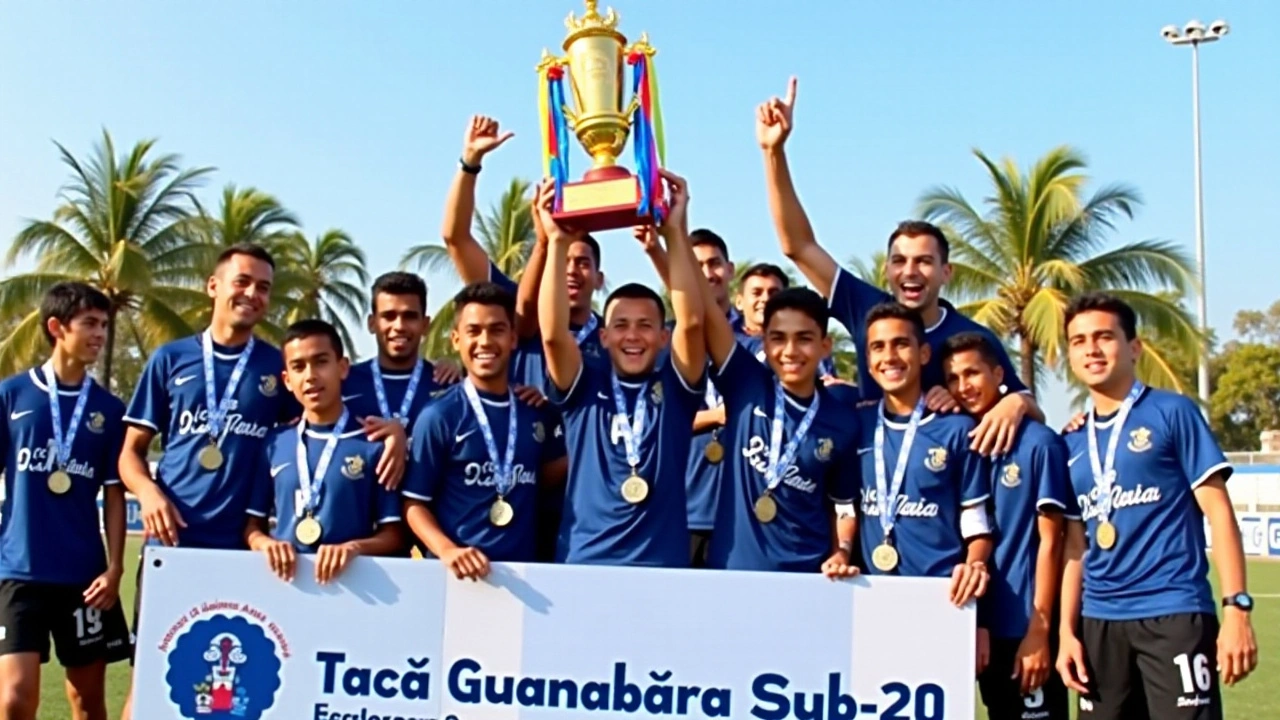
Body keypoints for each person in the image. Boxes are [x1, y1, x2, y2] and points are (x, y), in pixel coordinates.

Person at [116, 244, 404, 720]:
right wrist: (147, 492)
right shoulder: (170, 360)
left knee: (235, 691)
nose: (253, 294)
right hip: (174, 547)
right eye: (243, 282)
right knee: (151, 677)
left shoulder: (278, 366)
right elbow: (131, 453)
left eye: (264, 287)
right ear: (214, 286)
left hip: (248, 555)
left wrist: (396, 431)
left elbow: (323, 430)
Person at [755, 76, 1041, 456]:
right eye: (900, 261)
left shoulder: (973, 337)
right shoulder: (865, 307)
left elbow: (1029, 405)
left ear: (946, 272)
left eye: (924, 262)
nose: (910, 272)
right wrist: (773, 153)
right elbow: (798, 245)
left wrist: (1015, 403)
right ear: (887, 270)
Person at [1055, 292, 1257, 720]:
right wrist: (1066, 632)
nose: (1091, 348)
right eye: (1078, 340)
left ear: (1134, 347)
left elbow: (1219, 513)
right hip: (1099, 623)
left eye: (1104, 336)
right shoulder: (1069, 442)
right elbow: (1075, 548)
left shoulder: (1172, 412)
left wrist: (1237, 607)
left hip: (1173, 613)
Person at [536, 168, 706, 568]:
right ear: (604, 336)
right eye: (621, 326)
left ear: (664, 337)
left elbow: (694, 321)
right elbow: (552, 334)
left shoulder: (677, 386)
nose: (633, 336)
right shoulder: (583, 385)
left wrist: (676, 234)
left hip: (660, 564)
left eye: (645, 325)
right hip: (585, 559)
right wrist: (558, 243)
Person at [0, 283, 132, 720]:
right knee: (15, 698)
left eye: (104, 325)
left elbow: (115, 493)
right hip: (19, 571)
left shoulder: (110, 410)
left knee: (87, 700)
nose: (100, 334)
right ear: (57, 327)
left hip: (84, 579)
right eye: (89, 324)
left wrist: (114, 568)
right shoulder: (13, 395)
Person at [941, 332, 1070, 720]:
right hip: (973, 625)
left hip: (1022, 627)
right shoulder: (959, 440)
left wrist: (1039, 630)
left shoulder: (1038, 444)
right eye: (952, 378)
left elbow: (1053, 542)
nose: (963, 386)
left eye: (972, 373)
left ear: (999, 373)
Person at [402, 283, 568, 579]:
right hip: (458, 577)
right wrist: (448, 550)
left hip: (524, 577)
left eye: (497, 330)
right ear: (456, 339)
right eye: (473, 331)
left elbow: (543, 477)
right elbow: (414, 503)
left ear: (513, 338)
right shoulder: (439, 415)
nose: (485, 341)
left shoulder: (535, 412)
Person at [697, 277, 861, 576]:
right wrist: (671, 239)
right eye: (778, 338)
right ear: (764, 343)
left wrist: (841, 551)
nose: (790, 350)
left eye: (804, 338)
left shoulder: (843, 421)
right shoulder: (745, 383)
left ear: (825, 346)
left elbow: (843, 507)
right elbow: (702, 306)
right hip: (731, 569)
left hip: (806, 576)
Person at [854, 303, 992, 607]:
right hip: (869, 595)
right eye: (878, 347)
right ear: (868, 359)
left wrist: (976, 564)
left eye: (901, 344)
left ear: (924, 354)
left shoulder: (957, 429)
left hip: (943, 597)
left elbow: (975, 518)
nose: (889, 357)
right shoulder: (856, 423)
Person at [245, 320, 403, 585]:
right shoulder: (275, 442)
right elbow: (253, 526)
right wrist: (265, 544)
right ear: (287, 380)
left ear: (342, 368)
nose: (310, 376)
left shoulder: (373, 444)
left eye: (320, 362)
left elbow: (395, 534)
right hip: (287, 586)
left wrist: (354, 549)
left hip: (356, 588)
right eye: (298, 367)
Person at [342, 271, 460, 434]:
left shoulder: (448, 383)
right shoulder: (345, 382)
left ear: (425, 325)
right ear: (372, 323)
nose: (399, 326)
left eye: (409, 316)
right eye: (389, 316)